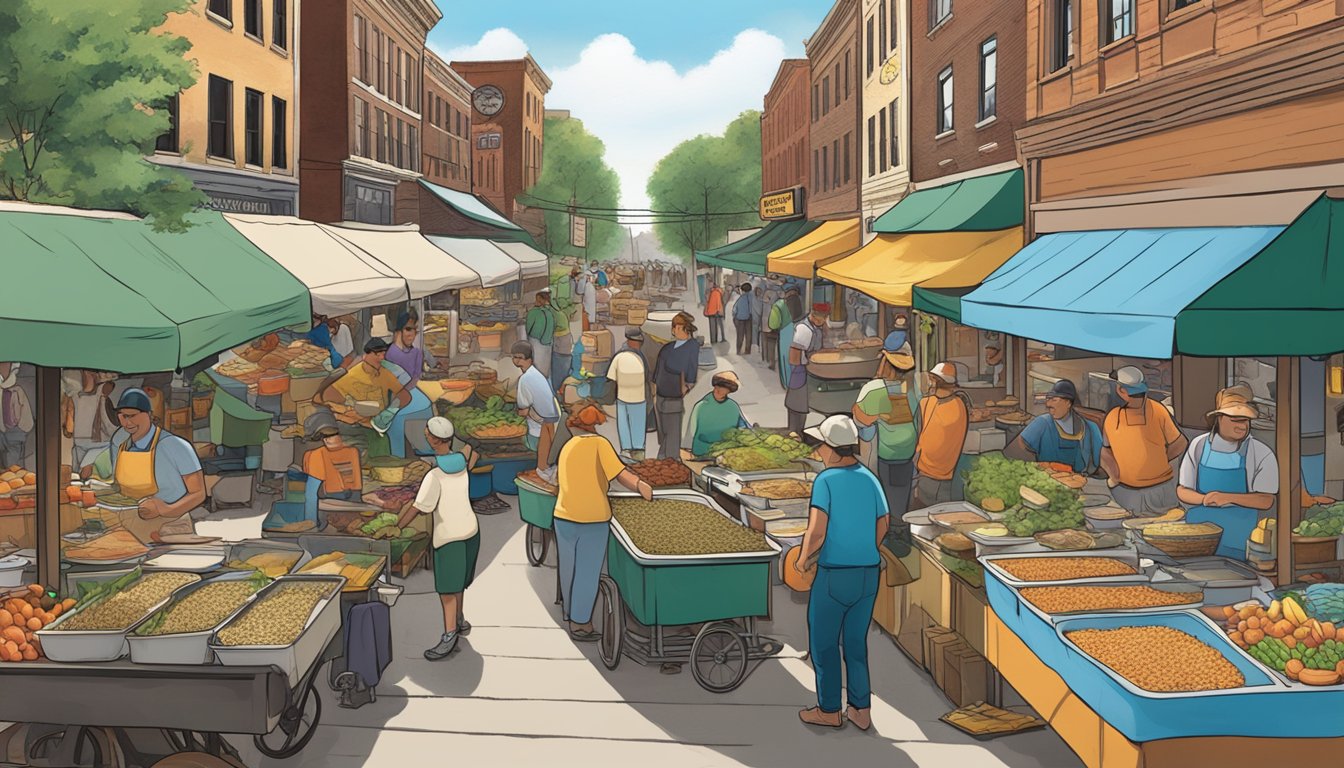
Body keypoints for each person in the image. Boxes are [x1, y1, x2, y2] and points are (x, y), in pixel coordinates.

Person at [794, 414, 889, 731]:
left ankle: (830, 710)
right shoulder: (869, 477)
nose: (819, 451)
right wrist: (864, 547)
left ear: (832, 448)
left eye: (820, 445)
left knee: (823, 644)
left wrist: (802, 559)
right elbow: (883, 522)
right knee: (855, 644)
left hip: (834, 574)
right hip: (868, 574)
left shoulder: (826, 481)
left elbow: (817, 531)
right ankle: (861, 711)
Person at [553, 405, 652, 640]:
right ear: (593, 425)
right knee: (587, 571)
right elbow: (620, 474)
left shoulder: (568, 446)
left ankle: (569, 613)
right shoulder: (599, 444)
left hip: (563, 515)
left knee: (569, 567)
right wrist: (641, 485)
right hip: (593, 518)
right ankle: (581, 624)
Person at [401, 417, 480, 660]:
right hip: (471, 531)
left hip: (449, 537)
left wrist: (398, 524)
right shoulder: (462, 462)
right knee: (460, 582)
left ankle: (449, 637)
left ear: (433, 440)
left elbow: (420, 507)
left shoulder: (434, 475)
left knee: (447, 590)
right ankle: (460, 620)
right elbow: (472, 452)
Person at [1177, 385, 1278, 560]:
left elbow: (1266, 500)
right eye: (1235, 419)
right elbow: (1182, 490)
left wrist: (1227, 497)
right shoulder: (1198, 445)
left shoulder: (1260, 452)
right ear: (1219, 418)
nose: (1242, 426)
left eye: (1245, 420)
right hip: (1196, 539)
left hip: (1239, 541)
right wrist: (1205, 499)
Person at [107, 388, 204, 542]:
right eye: (123, 416)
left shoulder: (174, 445)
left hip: (169, 526)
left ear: (149, 415)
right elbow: (117, 486)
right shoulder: (119, 443)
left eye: (133, 416)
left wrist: (165, 509)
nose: (128, 423)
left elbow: (198, 493)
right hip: (128, 527)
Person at [1100, 366, 1188, 517]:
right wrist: (1115, 476)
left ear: (1121, 391)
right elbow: (1105, 451)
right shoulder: (1114, 417)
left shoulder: (1157, 411)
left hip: (1159, 492)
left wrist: (1158, 460)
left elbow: (1181, 443)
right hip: (1127, 492)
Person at [852, 339, 921, 517]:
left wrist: (876, 416)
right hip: (908, 456)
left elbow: (860, 420)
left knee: (885, 505)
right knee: (901, 502)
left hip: (883, 458)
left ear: (886, 362)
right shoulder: (915, 388)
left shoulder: (874, 389)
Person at [317, 338, 413, 458]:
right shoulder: (352, 375)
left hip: (376, 423)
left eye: (383, 354)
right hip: (355, 424)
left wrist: (388, 413)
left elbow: (404, 396)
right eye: (377, 354)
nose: (381, 358)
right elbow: (326, 398)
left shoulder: (385, 373)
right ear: (366, 354)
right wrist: (347, 411)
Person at [1007, 379, 1103, 474]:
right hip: (1046, 481)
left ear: (1068, 403)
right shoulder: (1042, 423)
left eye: (1054, 399)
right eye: (1048, 399)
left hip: (1082, 481)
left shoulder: (1090, 428)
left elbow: (1102, 461)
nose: (1048, 404)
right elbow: (1013, 453)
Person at [384, 309, 440, 457]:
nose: (411, 334)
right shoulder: (389, 353)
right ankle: (397, 455)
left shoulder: (417, 353)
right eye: (408, 329)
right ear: (399, 330)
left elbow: (416, 377)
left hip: (412, 392)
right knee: (397, 416)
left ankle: (427, 452)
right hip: (394, 396)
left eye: (414, 330)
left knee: (427, 404)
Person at [914, 362, 971, 507]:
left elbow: (918, 435)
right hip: (944, 476)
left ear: (934, 381)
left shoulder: (925, 403)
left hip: (927, 475)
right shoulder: (960, 406)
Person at [651, 312, 700, 459]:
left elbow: (692, 369)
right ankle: (664, 458)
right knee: (664, 431)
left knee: (672, 431)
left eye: (677, 328)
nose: (674, 331)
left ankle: (670, 460)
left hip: (674, 393)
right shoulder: (668, 347)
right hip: (660, 394)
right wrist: (654, 385)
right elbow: (658, 368)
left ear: (685, 329)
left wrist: (687, 386)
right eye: (674, 328)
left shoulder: (691, 346)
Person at [301, 411, 363, 523]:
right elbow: (311, 494)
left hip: (347, 506)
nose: (328, 439)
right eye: (325, 436)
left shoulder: (351, 452)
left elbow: (310, 495)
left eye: (331, 434)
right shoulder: (318, 455)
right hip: (340, 508)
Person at [512, 341, 561, 483]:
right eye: (515, 357)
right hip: (550, 425)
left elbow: (523, 410)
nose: (517, 360)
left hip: (538, 432)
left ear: (529, 359)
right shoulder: (537, 374)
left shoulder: (525, 379)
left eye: (520, 357)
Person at [684, 371, 750, 459]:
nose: (718, 389)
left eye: (723, 387)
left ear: (729, 391)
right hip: (703, 452)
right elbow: (692, 431)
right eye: (717, 386)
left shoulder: (733, 407)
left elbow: (743, 427)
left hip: (727, 452)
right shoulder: (701, 406)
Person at [63, 370, 116, 478]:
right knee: (78, 479)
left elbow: (110, 385)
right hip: (84, 444)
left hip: (97, 445)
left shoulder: (101, 392)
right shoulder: (75, 397)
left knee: (85, 478)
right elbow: (69, 426)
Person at [786, 303, 828, 436]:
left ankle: (799, 432)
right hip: (800, 370)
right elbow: (794, 355)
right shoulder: (804, 329)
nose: (822, 322)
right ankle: (793, 432)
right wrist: (805, 365)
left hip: (808, 368)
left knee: (802, 406)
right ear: (813, 316)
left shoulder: (818, 327)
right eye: (821, 319)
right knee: (796, 403)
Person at [610, 328, 650, 460]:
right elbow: (647, 378)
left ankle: (627, 452)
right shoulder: (641, 357)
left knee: (625, 425)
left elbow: (612, 378)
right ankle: (636, 453)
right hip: (638, 398)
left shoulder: (618, 356)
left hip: (624, 398)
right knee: (636, 425)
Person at [771, 285, 805, 385]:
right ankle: (798, 382)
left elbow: (773, 324)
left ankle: (788, 384)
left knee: (786, 358)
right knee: (799, 358)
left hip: (785, 332)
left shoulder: (778, 305)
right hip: (800, 330)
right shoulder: (802, 302)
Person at [0, 363, 32, 469]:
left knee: (11, 465)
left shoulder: (17, 391)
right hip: (2, 432)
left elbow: (26, 412)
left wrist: (23, 429)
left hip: (15, 432)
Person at [524, 289, 556, 380]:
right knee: (545, 369)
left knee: (536, 368)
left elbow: (528, 328)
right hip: (548, 343)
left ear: (540, 300)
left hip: (535, 342)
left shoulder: (533, 312)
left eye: (537, 299)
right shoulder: (550, 313)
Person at [550, 297, 575, 393]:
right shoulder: (562, 313)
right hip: (565, 346)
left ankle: (558, 392)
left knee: (559, 370)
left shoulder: (555, 313)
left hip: (561, 347)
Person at [732, 282, 755, 355]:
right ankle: (747, 351)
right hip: (749, 318)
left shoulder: (741, 298)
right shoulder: (752, 297)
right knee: (748, 335)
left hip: (740, 319)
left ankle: (738, 351)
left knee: (740, 335)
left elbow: (735, 309)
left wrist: (735, 316)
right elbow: (752, 307)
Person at [751, 285, 767, 358]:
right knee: (755, 333)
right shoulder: (754, 299)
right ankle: (755, 347)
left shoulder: (761, 300)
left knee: (759, 333)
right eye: (758, 291)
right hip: (755, 319)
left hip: (760, 319)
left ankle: (758, 347)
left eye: (760, 291)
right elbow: (758, 310)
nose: (759, 293)